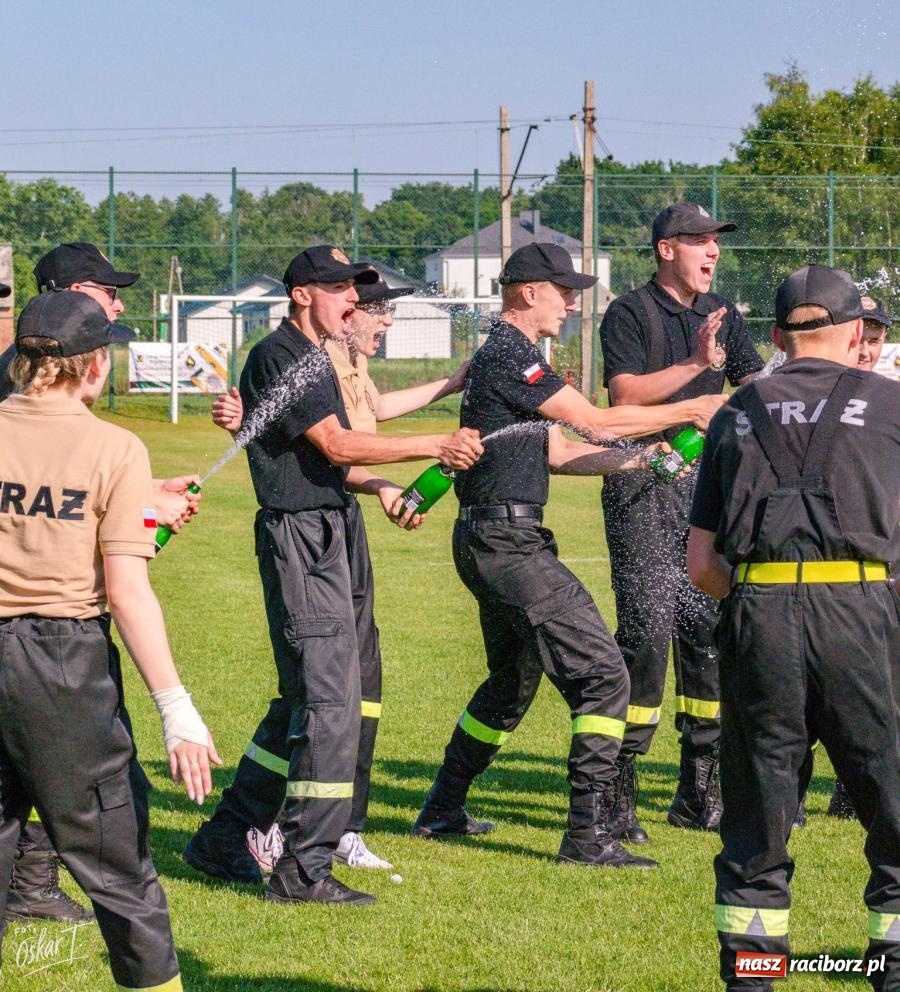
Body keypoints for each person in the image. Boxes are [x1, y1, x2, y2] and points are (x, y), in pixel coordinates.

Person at [411, 242, 727, 868]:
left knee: (511, 684)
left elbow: (557, 452)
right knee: (606, 675)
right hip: (507, 544)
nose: (573, 302)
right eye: (564, 291)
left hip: (492, 538)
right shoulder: (509, 353)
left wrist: (640, 459)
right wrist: (694, 407)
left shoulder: (516, 355)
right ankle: (588, 834)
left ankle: (442, 807)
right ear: (529, 292)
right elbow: (596, 421)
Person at [184, 245, 483, 906]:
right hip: (300, 538)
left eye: (355, 289)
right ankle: (302, 869)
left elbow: (338, 462)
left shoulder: (317, 358)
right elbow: (336, 444)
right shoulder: (280, 356)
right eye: (340, 289)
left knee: (308, 699)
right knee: (327, 703)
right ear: (301, 294)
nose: (354, 300)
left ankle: (224, 837)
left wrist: (379, 486)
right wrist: (437, 443)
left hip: (333, 527)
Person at [686, 264, 899, 992]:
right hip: (864, 616)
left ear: (778, 336)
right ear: (855, 333)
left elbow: (701, 565)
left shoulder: (734, 412)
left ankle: (753, 979)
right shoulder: (892, 407)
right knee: (893, 807)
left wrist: (760, 601)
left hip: (760, 618)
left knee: (756, 819)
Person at [0, 291, 220, 992]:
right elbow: (125, 589)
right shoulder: (113, 446)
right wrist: (176, 708)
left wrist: (140, 510)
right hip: (61, 663)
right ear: (93, 364)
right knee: (115, 861)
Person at [598, 203, 763, 845]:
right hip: (642, 483)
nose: (711, 251)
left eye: (716, 242)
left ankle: (701, 794)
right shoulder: (630, 312)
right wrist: (698, 367)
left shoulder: (725, 313)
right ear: (667, 249)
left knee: (709, 635)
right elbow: (624, 398)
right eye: (699, 240)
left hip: (707, 492)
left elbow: (754, 390)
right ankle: (618, 794)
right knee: (645, 634)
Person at [827, 292, 892, 822]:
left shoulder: (887, 401)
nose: (866, 350)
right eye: (860, 339)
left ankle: (853, 790)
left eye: (875, 340)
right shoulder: (809, 402)